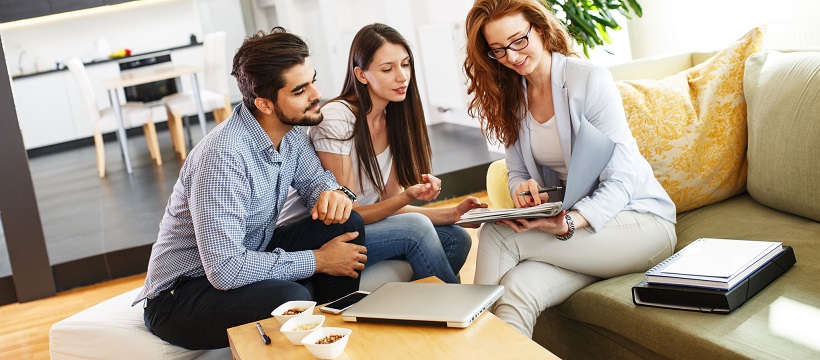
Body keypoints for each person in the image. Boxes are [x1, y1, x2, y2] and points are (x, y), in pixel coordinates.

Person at [132, 28, 368, 350]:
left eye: (313, 80)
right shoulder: (223, 158)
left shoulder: (291, 129)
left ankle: (334, 340)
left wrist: (335, 194)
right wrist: (318, 261)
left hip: (251, 254)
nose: (317, 93)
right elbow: (224, 269)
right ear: (265, 104)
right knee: (291, 298)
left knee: (346, 223)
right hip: (182, 296)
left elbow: (316, 181)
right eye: (301, 89)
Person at [463, 0, 678, 337]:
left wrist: (569, 224)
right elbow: (517, 170)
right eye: (499, 50)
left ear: (541, 28)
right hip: (585, 235)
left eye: (519, 41)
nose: (513, 56)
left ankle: (463, 340)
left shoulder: (588, 81)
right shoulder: (512, 96)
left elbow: (621, 180)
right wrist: (522, 189)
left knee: (497, 235)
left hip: (641, 223)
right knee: (518, 291)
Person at [280, 23, 486, 284]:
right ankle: (458, 313)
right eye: (388, 69)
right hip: (319, 234)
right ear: (361, 75)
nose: (402, 77)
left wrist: (452, 214)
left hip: (361, 225)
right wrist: (407, 196)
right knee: (416, 229)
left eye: (405, 64)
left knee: (457, 238)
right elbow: (349, 214)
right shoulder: (337, 118)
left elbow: (389, 205)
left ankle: (417, 314)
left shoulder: (393, 118)